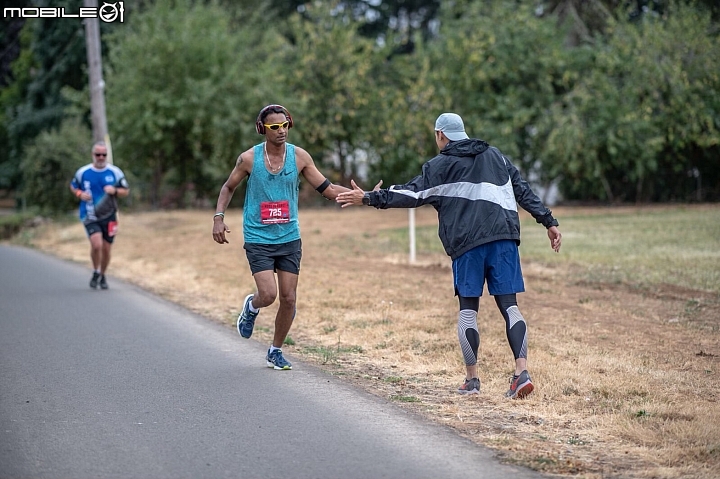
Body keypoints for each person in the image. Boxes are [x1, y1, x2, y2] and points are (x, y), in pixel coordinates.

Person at [336, 112, 562, 399]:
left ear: (440, 135)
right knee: (510, 306)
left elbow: (412, 194)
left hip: (468, 244)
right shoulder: (497, 156)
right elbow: (523, 191)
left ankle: (472, 380)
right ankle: (521, 373)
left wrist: (369, 197)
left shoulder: (440, 165)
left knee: (468, 310)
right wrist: (549, 222)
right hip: (504, 238)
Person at [212, 104, 357, 371]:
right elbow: (228, 187)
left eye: (285, 125)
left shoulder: (300, 157)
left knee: (289, 298)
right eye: (274, 127)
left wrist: (362, 197)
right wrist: (218, 217)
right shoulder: (248, 159)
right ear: (262, 130)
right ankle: (252, 306)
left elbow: (326, 188)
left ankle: (275, 351)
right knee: (268, 294)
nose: (281, 131)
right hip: (258, 236)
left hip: (289, 237)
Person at [70, 141, 130, 290]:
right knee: (96, 245)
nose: (101, 157)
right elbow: (73, 185)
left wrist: (115, 191)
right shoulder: (83, 172)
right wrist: (79, 193)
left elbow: (126, 191)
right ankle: (95, 270)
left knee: (107, 249)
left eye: (104, 155)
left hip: (109, 215)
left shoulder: (115, 172)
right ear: (93, 155)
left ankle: (102, 275)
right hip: (89, 214)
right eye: (98, 154)